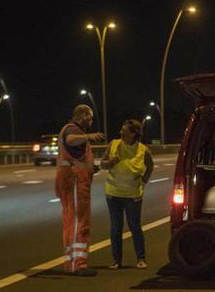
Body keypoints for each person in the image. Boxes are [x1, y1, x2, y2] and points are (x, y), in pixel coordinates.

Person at [55, 104, 104, 276]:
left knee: (71, 221)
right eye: (90, 117)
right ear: (83, 116)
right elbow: (71, 140)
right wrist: (89, 136)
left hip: (71, 179)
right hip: (75, 181)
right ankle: (78, 264)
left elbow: (76, 155)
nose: (91, 121)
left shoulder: (70, 129)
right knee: (79, 221)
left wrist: (91, 167)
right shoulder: (72, 129)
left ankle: (71, 262)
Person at [101, 119, 154, 269]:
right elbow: (102, 164)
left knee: (135, 226)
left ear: (134, 133)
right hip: (113, 193)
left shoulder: (143, 149)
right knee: (116, 228)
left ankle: (141, 259)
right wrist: (110, 162)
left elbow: (150, 166)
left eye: (124, 131)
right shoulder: (113, 144)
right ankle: (116, 261)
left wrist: (144, 180)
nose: (121, 133)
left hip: (133, 195)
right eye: (121, 131)